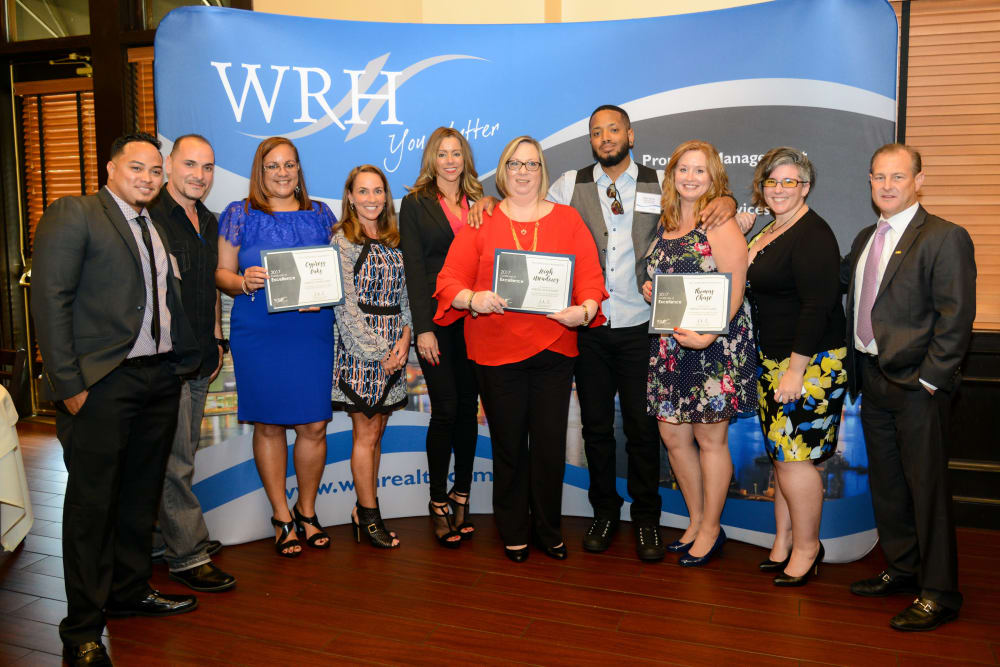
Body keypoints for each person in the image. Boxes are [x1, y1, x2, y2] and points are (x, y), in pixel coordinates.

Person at [471, 106, 736, 560]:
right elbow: (524, 201)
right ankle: (604, 512)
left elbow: (706, 201)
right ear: (591, 140)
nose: (606, 137)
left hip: (642, 327)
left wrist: (728, 204)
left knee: (641, 429)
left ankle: (647, 520)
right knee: (596, 429)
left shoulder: (662, 183)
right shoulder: (567, 185)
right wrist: (487, 203)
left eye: (614, 130)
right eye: (597, 132)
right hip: (588, 328)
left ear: (630, 135)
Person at [32, 132, 202, 667]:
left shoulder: (154, 225)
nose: (148, 178)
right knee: (91, 507)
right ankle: (81, 628)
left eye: (156, 170)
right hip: (103, 384)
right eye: (137, 168)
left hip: (157, 380)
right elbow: (50, 299)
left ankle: (129, 593)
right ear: (110, 168)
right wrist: (69, 386)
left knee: (138, 498)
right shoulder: (75, 213)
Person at [435, 136, 608, 562]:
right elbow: (448, 282)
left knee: (549, 446)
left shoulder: (567, 219)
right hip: (495, 352)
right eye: (515, 164)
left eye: (531, 164)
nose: (523, 172)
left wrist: (584, 311)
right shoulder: (482, 219)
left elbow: (590, 280)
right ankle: (513, 529)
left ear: (541, 170)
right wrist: (473, 300)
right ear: (503, 170)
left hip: (554, 347)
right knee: (509, 447)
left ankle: (548, 529)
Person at [844, 143, 975, 631]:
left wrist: (931, 381)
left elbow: (956, 317)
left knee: (928, 490)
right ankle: (902, 569)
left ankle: (940, 592)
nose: (887, 186)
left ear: (919, 181)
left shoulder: (944, 237)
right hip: (872, 379)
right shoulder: (865, 238)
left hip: (918, 386)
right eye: (879, 177)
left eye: (898, 177)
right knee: (889, 484)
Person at [215, 137, 336, 558]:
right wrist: (241, 281)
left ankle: (307, 511)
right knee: (268, 425)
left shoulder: (322, 215)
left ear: (299, 170)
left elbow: (336, 269)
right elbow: (222, 274)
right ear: (259, 171)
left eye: (290, 165)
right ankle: (281, 516)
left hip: (312, 331)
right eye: (273, 166)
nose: (282, 173)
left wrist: (330, 288)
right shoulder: (238, 214)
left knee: (314, 425)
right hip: (259, 331)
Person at [641, 140, 756, 567]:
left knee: (711, 439)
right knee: (672, 435)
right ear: (672, 176)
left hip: (713, 347)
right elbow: (658, 274)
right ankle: (694, 518)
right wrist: (647, 288)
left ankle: (711, 528)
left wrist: (709, 334)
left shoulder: (719, 222)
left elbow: (735, 282)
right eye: (683, 170)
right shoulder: (665, 222)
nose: (690, 178)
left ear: (714, 179)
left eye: (700, 171)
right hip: (669, 346)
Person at [737, 147, 847, 586]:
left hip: (809, 363)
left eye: (790, 182)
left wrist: (796, 371)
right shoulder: (771, 227)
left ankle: (807, 548)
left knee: (797, 459)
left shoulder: (813, 233)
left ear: (805, 187)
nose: (779, 189)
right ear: (762, 187)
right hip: (774, 360)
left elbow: (818, 306)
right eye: (772, 182)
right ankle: (783, 541)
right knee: (783, 457)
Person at [148, 134, 236, 592]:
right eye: (190, 164)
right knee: (175, 461)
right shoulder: (151, 218)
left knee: (179, 454)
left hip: (203, 356)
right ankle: (188, 554)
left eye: (208, 167)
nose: (199, 175)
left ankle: (163, 541)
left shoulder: (208, 220)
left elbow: (210, 288)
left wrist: (218, 340)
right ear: (168, 164)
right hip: (167, 361)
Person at [399, 128, 483, 548]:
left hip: (476, 321)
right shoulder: (415, 204)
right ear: (432, 159)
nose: (450, 161)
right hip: (438, 322)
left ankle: (462, 494)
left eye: (457, 154)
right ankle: (436, 501)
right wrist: (423, 328)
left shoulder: (481, 202)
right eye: (442, 154)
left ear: (465, 158)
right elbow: (414, 269)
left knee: (469, 409)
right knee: (446, 410)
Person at [331, 165, 412, 548]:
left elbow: (405, 297)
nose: (371, 199)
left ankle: (363, 509)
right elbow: (346, 309)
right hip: (361, 353)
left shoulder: (394, 238)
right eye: (362, 191)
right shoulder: (342, 242)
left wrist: (405, 339)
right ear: (349, 197)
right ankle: (369, 516)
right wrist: (381, 353)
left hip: (395, 347)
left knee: (378, 431)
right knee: (365, 433)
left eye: (377, 191)